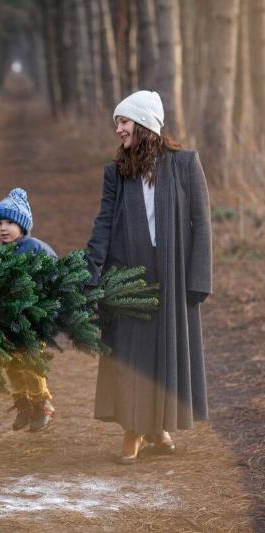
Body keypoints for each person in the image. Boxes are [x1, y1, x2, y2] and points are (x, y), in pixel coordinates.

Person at [86, 90, 212, 464]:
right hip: (127, 274)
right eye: (117, 124)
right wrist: (90, 272)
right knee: (131, 353)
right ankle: (132, 430)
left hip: (173, 274)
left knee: (164, 352)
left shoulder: (185, 164)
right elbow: (104, 224)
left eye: (123, 122)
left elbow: (202, 224)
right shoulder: (116, 173)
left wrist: (199, 278)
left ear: (143, 124)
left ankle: (158, 427)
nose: (119, 130)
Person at [0, 187, 57, 432]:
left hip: (32, 319)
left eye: (10, 222)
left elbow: (54, 279)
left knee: (31, 362)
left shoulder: (36, 249)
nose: (3, 228)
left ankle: (43, 405)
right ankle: (23, 405)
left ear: (23, 224)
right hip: (8, 321)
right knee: (11, 364)